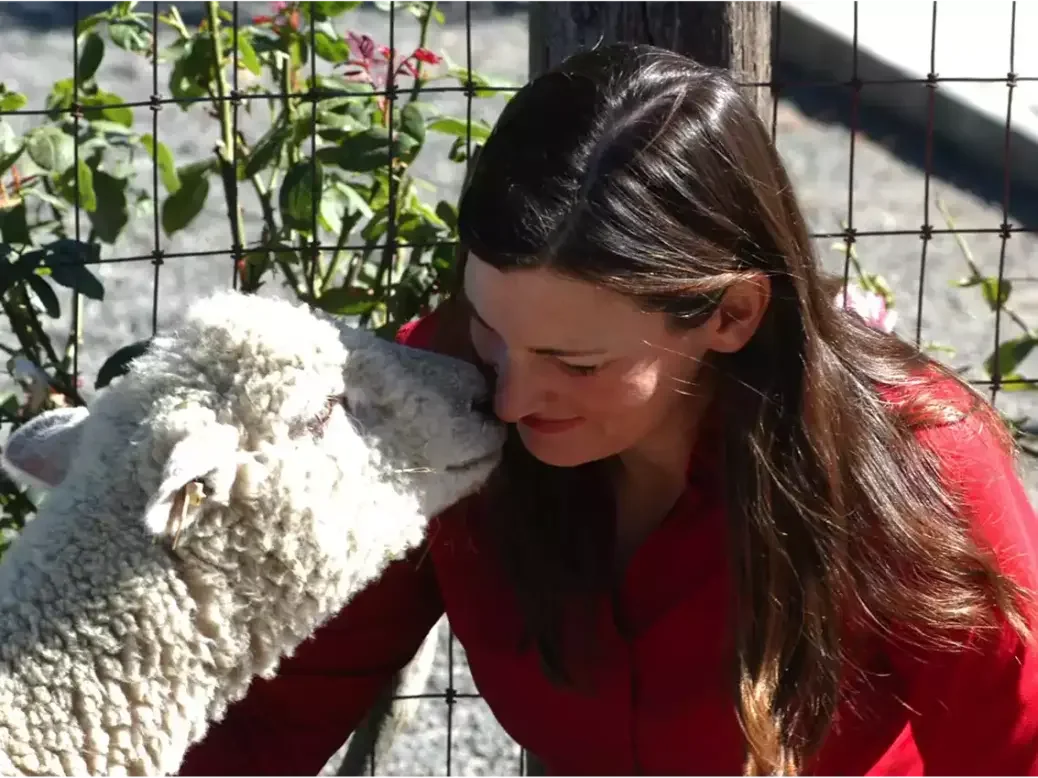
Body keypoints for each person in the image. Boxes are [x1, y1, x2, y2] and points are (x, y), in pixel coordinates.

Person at [177, 43, 1038, 777]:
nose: (505, 399)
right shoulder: (435, 398)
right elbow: (273, 714)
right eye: (488, 329)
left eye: (575, 362)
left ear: (732, 315)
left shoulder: (919, 463)